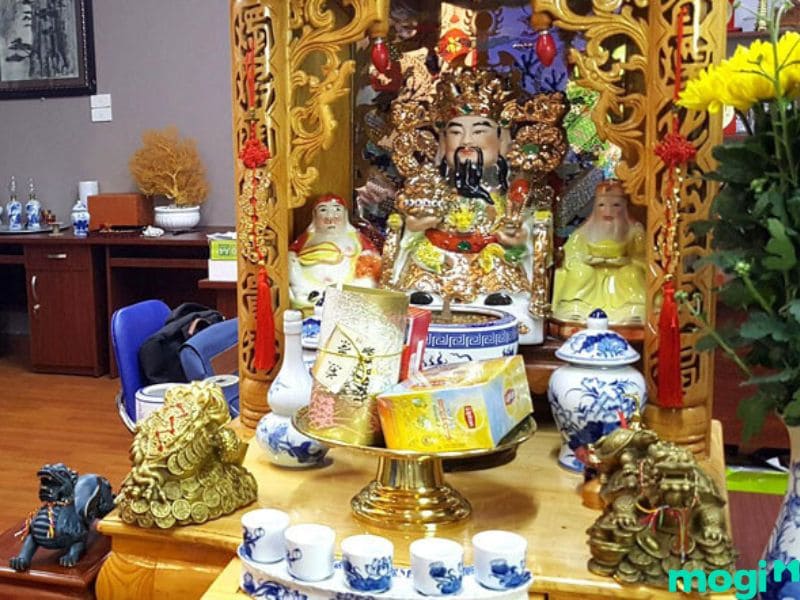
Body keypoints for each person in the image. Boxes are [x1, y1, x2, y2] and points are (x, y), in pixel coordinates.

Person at [551, 180, 646, 325]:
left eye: (616, 205)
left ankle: (632, 310)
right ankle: (575, 307)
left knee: (632, 274)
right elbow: (570, 255)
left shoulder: (634, 231)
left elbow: (643, 257)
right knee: (581, 273)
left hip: (620, 275)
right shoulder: (583, 231)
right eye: (602, 205)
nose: (608, 211)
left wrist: (627, 260)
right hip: (591, 274)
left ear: (624, 207)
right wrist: (585, 259)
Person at [288, 194, 381, 312]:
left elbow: (374, 257)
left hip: (347, 287)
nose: (330, 217)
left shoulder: (356, 237)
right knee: (289, 260)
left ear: (345, 214)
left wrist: (366, 260)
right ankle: (308, 295)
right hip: (311, 287)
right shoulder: (308, 237)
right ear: (314, 215)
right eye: (323, 210)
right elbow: (291, 252)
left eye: (337, 209)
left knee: (367, 282)